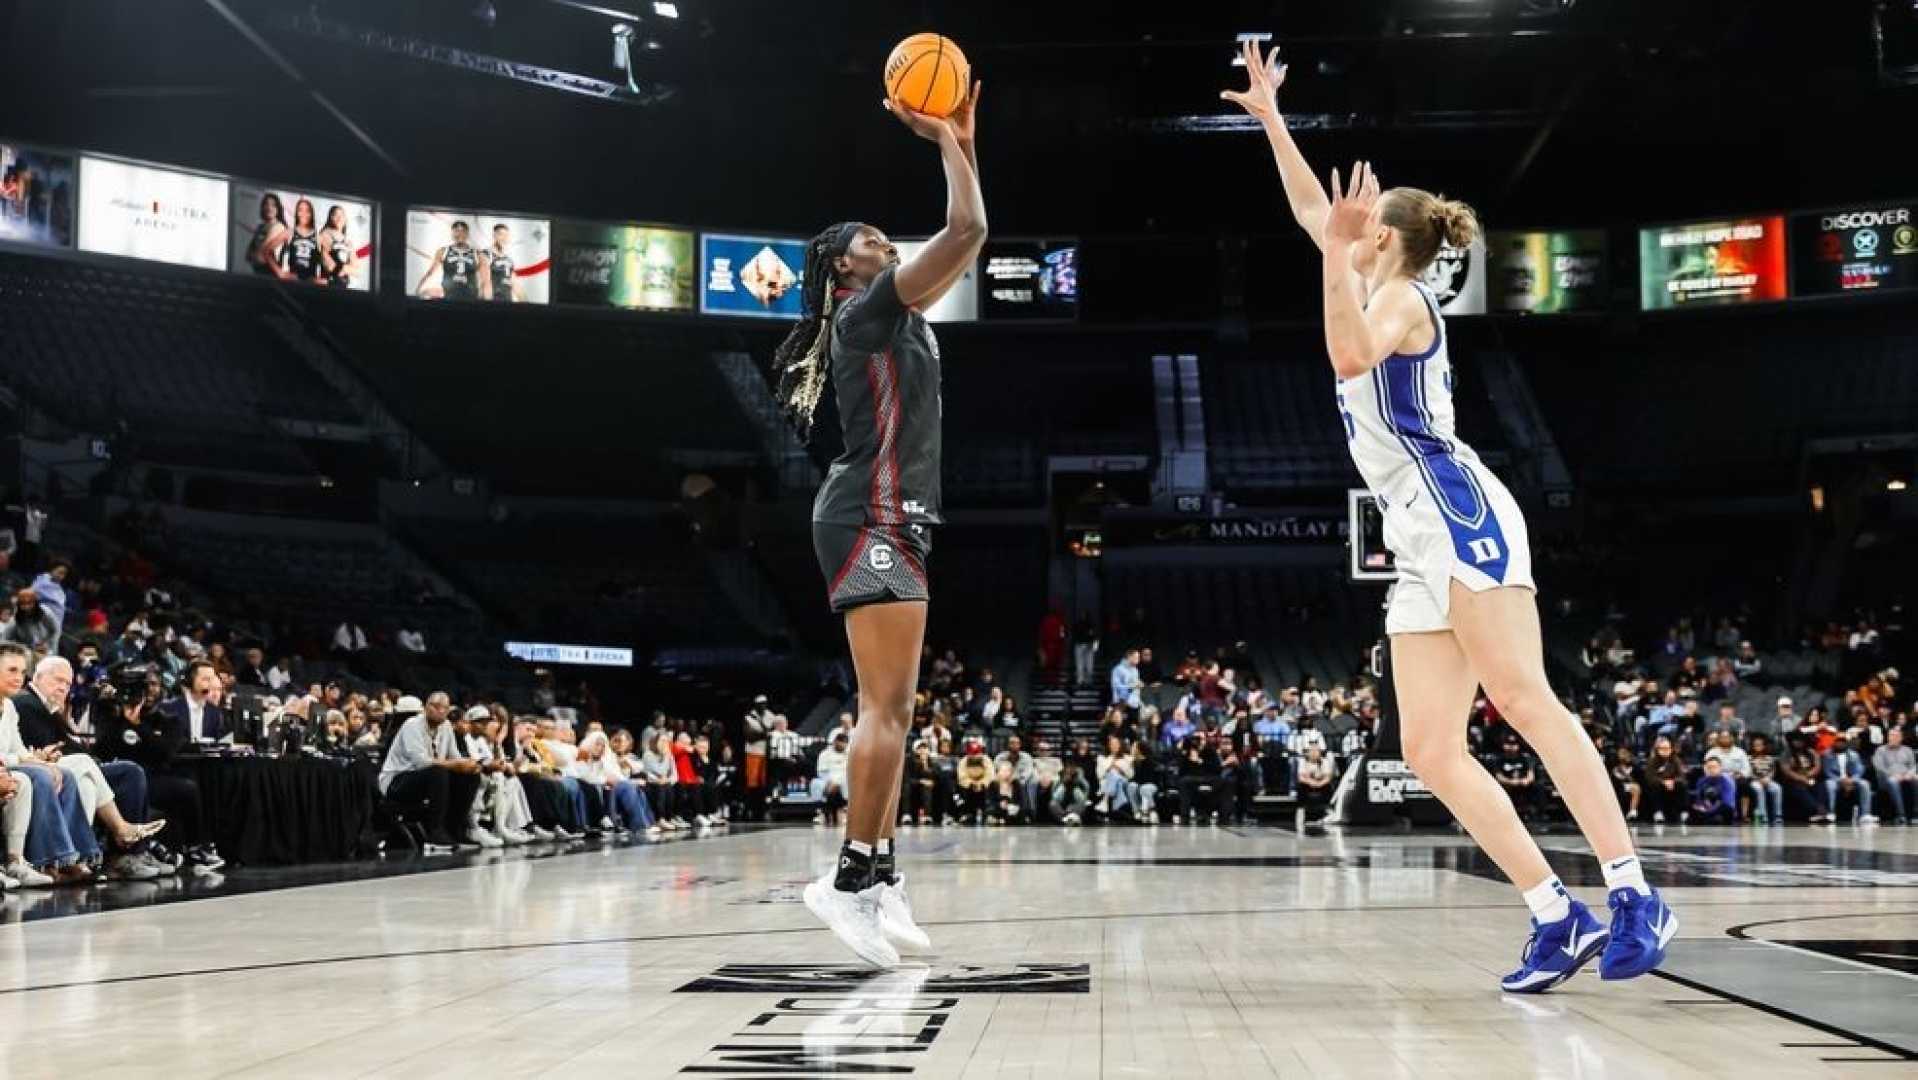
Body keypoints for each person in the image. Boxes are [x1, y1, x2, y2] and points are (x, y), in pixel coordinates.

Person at [1221, 38, 1670, 993]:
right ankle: (1558, 912)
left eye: (1355, 226)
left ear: (1383, 237)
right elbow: (1310, 208)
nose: (1338, 227)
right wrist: (1271, 120)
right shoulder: (1366, 273)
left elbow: (1348, 358)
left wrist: (1337, 256)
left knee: (1524, 697)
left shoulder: (1405, 302)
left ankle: (1635, 890)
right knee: (1427, 746)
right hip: (1413, 532)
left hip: (1459, 512)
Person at [789, 79, 985, 969]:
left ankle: (884, 869)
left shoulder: (892, 309)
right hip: (868, 511)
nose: (885, 240)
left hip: (892, 513)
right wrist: (944, 141)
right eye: (870, 239)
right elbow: (969, 233)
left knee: (898, 712)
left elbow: (967, 235)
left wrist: (965, 144)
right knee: (884, 709)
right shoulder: (867, 314)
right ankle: (849, 878)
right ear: (844, 269)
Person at [377, 693, 484, 850]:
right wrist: (455, 764)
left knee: (469, 777)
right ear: (426, 707)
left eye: (444, 708)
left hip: (428, 779)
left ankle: (455, 830)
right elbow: (421, 762)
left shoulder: (446, 726)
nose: (439, 710)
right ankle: (434, 833)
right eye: (435, 706)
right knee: (437, 772)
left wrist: (469, 764)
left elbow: (454, 756)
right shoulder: (412, 725)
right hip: (396, 781)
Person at [415, 220, 481, 300]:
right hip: (449, 297)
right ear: (452, 234)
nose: (459, 234)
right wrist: (418, 289)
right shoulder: (443, 251)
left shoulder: (477, 253)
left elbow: (484, 277)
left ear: (467, 234)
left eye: (462, 231)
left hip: (471, 297)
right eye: (456, 231)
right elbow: (431, 272)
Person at [1822, 735, 1877, 824]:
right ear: (1834, 742)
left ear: (1846, 743)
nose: (1840, 744)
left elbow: (1859, 769)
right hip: (1835, 779)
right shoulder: (1827, 754)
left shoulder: (1853, 754)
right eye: (1838, 741)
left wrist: (1852, 779)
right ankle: (1831, 813)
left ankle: (1865, 814)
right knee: (1830, 785)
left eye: (1842, 742)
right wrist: (1841, 780)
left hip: (1851, 779)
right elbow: (1827, 772)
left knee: (1865, 784)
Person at [1872, 726, 1918, 825]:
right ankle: (1901, 814)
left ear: (1901, 738)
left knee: (1916, 778)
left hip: (1906, 776)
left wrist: (1909, 774)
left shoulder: (1908, 750)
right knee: (1893, 781)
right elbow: (1879, 767)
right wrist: (1894, 775)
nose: (1893, 738)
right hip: (1887, 778)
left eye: (1896, 736)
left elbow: (1913, 766)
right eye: (1891, 735)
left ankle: (1915, 812)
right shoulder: (1880, 750)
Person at [245, 192, 291, 277]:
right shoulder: (261, 227)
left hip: (271, 274)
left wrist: (254, 255)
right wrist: (254, 255)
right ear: (262, 207)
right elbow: (247, 255)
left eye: (273, 205)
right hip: (258, 272)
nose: (269, 207)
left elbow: (260, 256)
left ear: (278, 209)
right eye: (266, 204)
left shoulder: (278, 227)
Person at [281, 198, 322, 282]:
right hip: (292, 282)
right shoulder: (290, 232)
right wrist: (280, 273)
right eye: (300, 210)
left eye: (307, 211)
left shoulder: (318, 236)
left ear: (311, 214)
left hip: (311, 285)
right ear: (296, 213)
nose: (304, 214)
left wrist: (322, 280)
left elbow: (329, 260)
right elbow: (267, 251)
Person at [1746, 734, 1783, 826]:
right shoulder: (1749, 758)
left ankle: (1777, 815)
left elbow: (1772, 771)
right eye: (1756, 745)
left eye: (1760, 745)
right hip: (1754, 781)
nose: (1758, 747)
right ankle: (1763, 814)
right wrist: (1758, 779)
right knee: (1759, 789)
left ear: (1764, 746)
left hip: (1767, 780)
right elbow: (1748, 772)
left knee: (1777, 788)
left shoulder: (1769, 758)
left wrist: (1768, 778)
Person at [317, 204, 358, 288]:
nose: (339, 218)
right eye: (336, 215)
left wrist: (344, 269)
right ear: (330, 218)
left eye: (342, 215)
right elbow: (329, 266)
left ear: (346, 219)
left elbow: (356, 271)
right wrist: (346, 269)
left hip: (343, 285)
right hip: (327, 284)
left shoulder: (348, 242)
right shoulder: (323, 235)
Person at [480, 222, 522, 302]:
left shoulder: (508, 259)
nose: (504, 238)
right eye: (501, 234)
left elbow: (515, 285)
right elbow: (486, 283)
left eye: (506, 235)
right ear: (494, 236)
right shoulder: (485, 254)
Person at [1690, 758, 1735, 825]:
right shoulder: (1701, 781)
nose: (1711, 770)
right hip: (1706, 808)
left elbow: (1726, 802)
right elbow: (1698, 798)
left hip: (1721, 809)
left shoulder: (1726, 781)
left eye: (1714, 767)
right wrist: (1701, 806)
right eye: (1709, 767)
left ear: (1720, 768)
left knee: (1726, 809)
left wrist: (1709, 811)